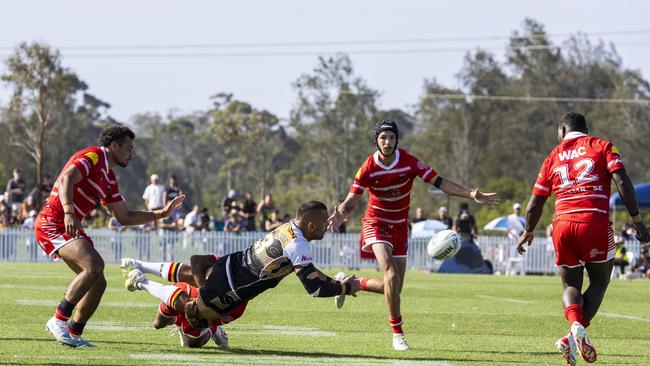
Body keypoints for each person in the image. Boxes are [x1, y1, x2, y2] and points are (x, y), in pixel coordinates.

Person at [327, 120, 498, 351]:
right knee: (389, 273)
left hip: (399, 227)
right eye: (382, 138)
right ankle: (397, 333)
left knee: (394, 288)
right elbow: (351, 200)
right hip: (376, 223)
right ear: (376, 141)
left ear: (397, 139)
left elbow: (440, 182)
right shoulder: (368, 167)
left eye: (391, 138)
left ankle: (351, 283)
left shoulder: (409, 162)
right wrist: (339, 214)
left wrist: (471, 194)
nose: (387, 142)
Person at [122, 200, 361, 347]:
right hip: (231, 288)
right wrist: (345, 288)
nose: (325, 228)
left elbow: (311, 272)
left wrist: (335, 281)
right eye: (322, 225)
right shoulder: (299, 245)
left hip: (231, 263)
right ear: (309, 226)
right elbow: (314, 287)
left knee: (192, 272)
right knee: (195, 321)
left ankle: (140, 265)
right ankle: (141, 281)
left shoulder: (289, 227)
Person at [34, 125, 185, 348]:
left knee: (98, 282)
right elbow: (67, 178)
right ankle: (58, 320)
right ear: (114, 146)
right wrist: (69, 211)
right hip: (53, 222)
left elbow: (124, 216)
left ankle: (74, 333)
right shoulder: (94, 155)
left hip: (67, 224)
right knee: (94, 265)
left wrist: (161, 213)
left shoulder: (109, 178)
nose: (131, 153)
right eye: (128, 148)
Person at [517, 112, 649, 365]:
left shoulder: (552, 156)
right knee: (600, 282)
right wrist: (637, 221)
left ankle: (573, 328)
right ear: (585, 130)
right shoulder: (603, 146)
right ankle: (574, 333)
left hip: (563, 225)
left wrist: (528, 231)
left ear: (562, 130)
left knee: (570, 287)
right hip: (594, 222)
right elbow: (622, 181)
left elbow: (535, 202)